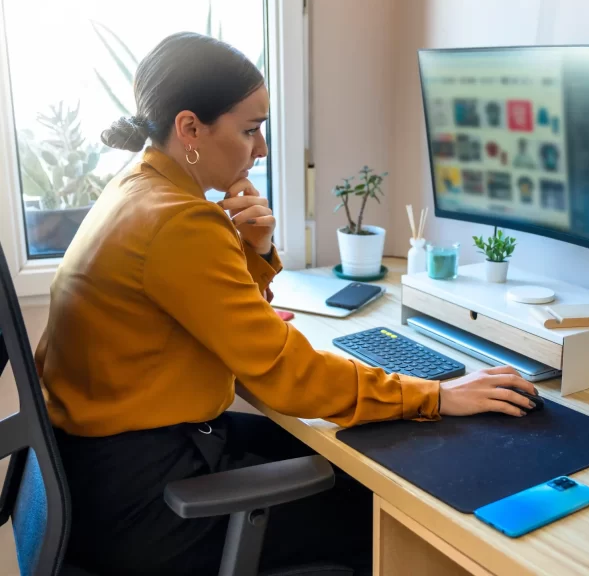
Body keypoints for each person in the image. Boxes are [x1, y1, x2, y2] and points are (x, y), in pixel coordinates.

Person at [36, 32, 537, 576]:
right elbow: (285, 374)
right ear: (190, 128)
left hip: (97, 476)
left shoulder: (137, 188)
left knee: (354, 460)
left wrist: (255, 251)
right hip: (153, 501)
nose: (263, 149)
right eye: (251, 130)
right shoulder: (179, 220)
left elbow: (220, 322)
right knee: (383, 510)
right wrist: (436, 394)